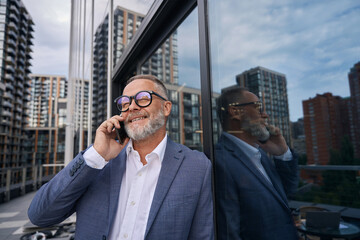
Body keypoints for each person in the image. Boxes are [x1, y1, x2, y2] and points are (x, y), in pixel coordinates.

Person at [28, 75, 214, 240]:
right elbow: (40, 215)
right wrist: (96, 155)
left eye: (143, 98)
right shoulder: (97, 163)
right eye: (125, 103)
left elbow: (202, 234)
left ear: (166, 107)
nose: (132, 107)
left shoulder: (197, 166)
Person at [214, 86, 299, 240]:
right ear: (236, 112)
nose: (265, 115)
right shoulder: (220, 161)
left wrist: (282, 152)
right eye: (258, 107)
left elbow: (286, 193)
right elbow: (228, 232)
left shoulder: (260, 154)